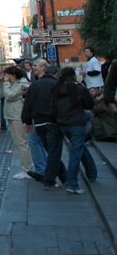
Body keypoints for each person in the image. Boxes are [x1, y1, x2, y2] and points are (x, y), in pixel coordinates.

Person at [44, 66, 94, 194]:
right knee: (76, 153)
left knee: (79, 148)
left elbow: (52, 107)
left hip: (62, 123)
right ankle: (72, 183)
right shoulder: (78, 89)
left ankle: (92, 172)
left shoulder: (57, 89)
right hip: (76, 123)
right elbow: (89, 104)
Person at [21, 62, 68, 189]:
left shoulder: (35, 85)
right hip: (53, 122)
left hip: (39, 122)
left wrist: (28, 121)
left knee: (51, 151)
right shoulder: (56, 85)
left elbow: (28, 104)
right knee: (54, 152)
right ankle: (50, 180)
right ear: (56, 75)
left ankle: (64, 176)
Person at [0, 65, 33, 179]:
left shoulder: (22, 85)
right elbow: (1, 94)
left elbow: (9, 96)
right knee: (18, 143)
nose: (6, 77)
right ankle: (25, 166)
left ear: (13, 75)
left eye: (7, 75)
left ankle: (26, 169)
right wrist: (1, 83)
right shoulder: (12, 84)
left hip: (18, 116)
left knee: (21, 143)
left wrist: (5, 83)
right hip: (11, 116)